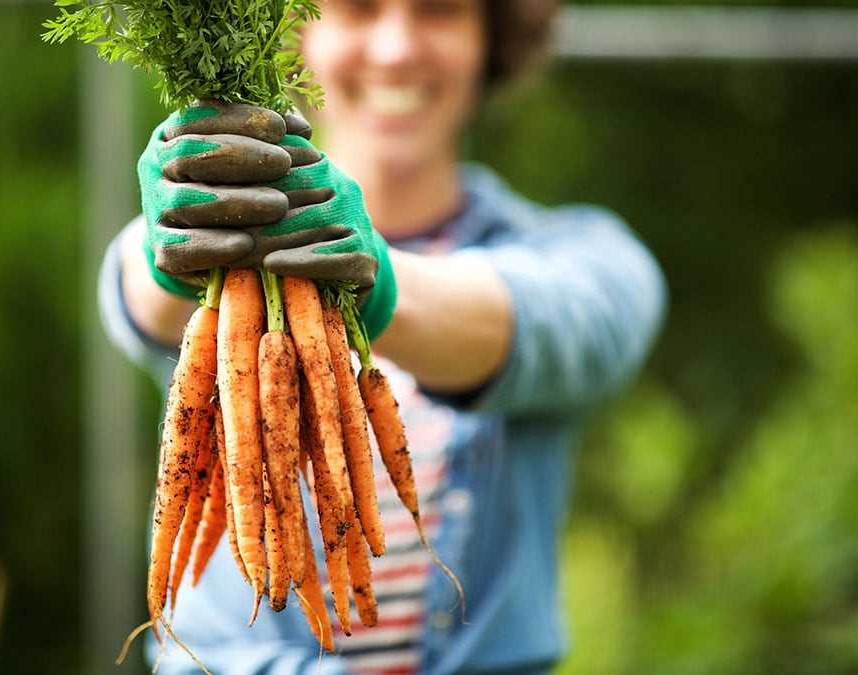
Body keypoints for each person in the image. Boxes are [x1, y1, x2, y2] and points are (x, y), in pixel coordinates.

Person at [98, 0, 666, 672]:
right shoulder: (227, 251)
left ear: (492, 37)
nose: (396, 47)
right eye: (359, 8)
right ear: (295, 31)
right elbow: (135, 288)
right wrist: (182, 232)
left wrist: (381, 282)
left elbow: (557, 323)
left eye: (439, 11)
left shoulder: (583, 256)